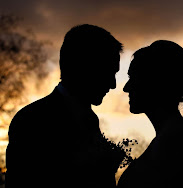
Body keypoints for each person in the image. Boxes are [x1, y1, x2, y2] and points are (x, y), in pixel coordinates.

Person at [6, 24, 123, 188]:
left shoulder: (90, 120)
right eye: (108, 73)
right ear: (84, 68)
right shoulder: (32, 120)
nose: (113, 84)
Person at [117, 40, 183, 188]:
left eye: (133, 78)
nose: (126, 87)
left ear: (155, 82)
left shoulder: (175, 140)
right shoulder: (172, 137)